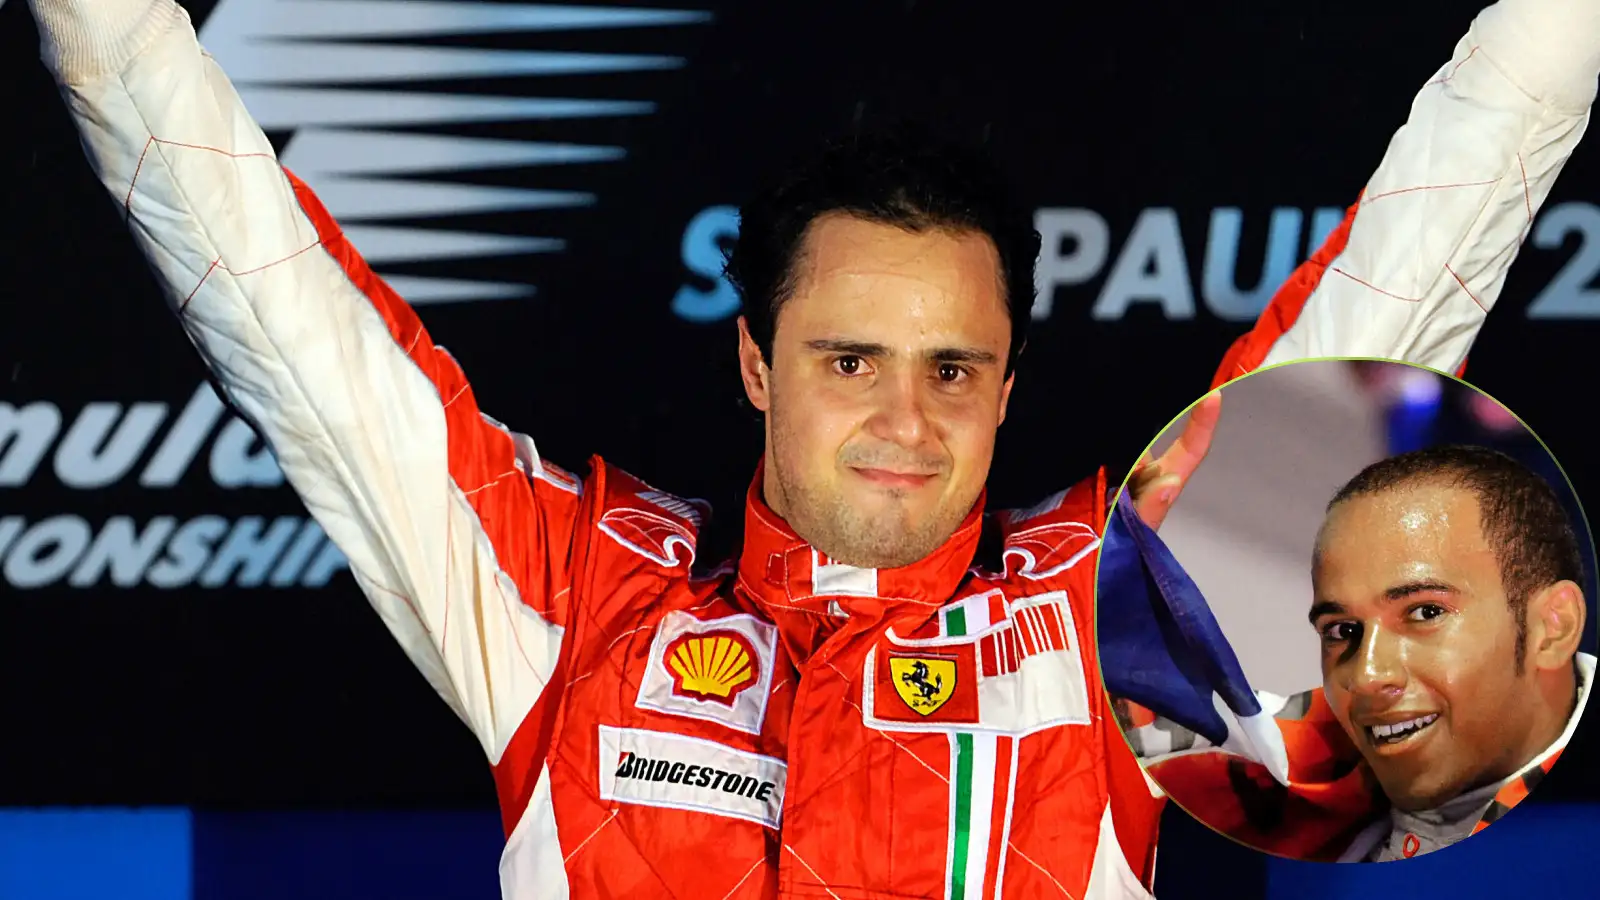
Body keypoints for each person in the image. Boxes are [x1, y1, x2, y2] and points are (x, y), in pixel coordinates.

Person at [23, 0, 1600, 894]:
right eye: (850, 360)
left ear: (1005, 383)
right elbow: (277, 312)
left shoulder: (1115, 618)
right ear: (755, 364)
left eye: (953, 370)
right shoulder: (574, 594)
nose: (907, 423)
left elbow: (1428, 248)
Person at [1120, 445, 1594, 863]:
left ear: (1552, 628)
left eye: (1425, 612)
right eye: (1343, 630)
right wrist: (1101, 581)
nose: (1366, 676)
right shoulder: (1290, 757)